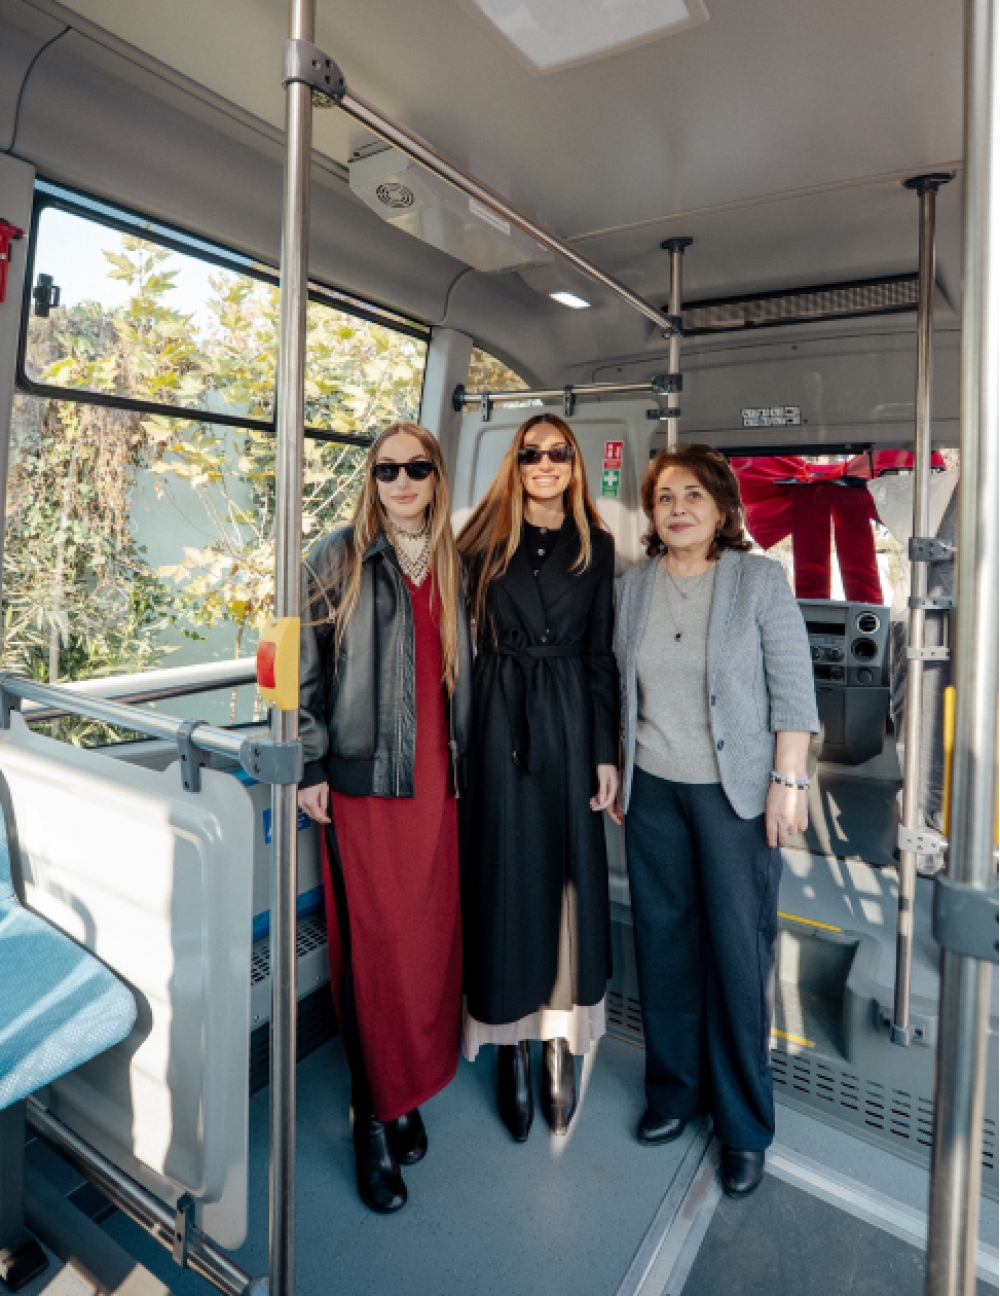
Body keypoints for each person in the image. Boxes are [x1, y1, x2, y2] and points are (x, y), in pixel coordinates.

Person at [612, 443, 818, 1199]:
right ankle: (675, 1093)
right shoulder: (632, 587)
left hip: (735, 798)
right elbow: (616, 689)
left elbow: (792, 690)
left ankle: (742, 1125)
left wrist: (788, 780)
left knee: (737, 956)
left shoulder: (758, 581)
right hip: (654, 792)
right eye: (665, 497)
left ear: (724, 507)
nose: (678, 508)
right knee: (664, 948)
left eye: (694, 494)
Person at [297, 421, 472, 1214]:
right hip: (365, 784)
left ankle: (407, 1093)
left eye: (416, 469)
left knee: (428, 945)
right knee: (377, 948)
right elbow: (296, 667)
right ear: (370, 480)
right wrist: (308, 764)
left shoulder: (454, 561)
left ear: (436, 477)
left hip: (438, 783)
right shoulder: (335, 555)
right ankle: (371, 1111)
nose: (401, 482)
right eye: (386, 470)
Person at [457, 413, 619, 1141]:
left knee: (566, 882)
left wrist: (606, 751)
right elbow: (449, 641)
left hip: (571, 722)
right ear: (515, 464)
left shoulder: (597, 545)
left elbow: (601, 653)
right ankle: (508, 1042)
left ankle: (558, 1037)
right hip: (499, 719)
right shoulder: (479, 539)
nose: (545, 464)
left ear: (575, 464)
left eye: (559, 453)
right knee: (504, 877)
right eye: (532, 453)